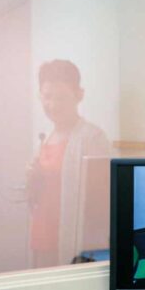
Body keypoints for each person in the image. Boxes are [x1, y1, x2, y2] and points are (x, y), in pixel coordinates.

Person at [27, 60, 110, 268]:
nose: (53, 105)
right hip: (41, 236)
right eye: (47, 96)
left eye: (62, 97)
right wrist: (32, 178)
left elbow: (102, 201)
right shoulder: (44, 137)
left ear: (79, 95)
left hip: (74, 243)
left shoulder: (93, 137)